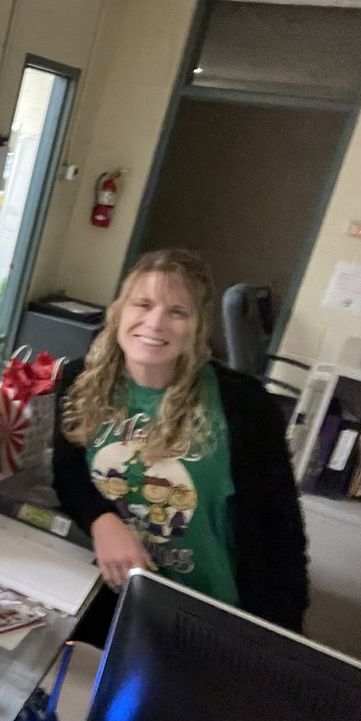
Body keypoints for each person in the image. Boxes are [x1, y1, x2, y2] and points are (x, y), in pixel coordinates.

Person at [52, 249, 308, 635]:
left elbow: (282, 530)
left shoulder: (244, 405)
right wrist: (102, 520)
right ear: (120, 311)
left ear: (197, 326)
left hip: (212, 609)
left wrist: (281, 637)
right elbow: (68, 471)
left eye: (177, 312)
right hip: (116, 596)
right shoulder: (79, 380)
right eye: (143, 304)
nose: (155, 323)